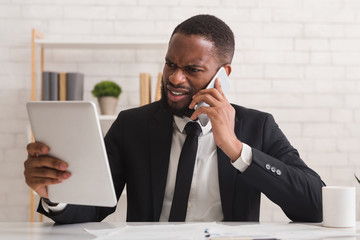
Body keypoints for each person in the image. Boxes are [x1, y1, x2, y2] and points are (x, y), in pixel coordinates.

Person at [24, 14, 324, 223]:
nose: (175, 78)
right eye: (170, 64)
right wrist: (55, 195)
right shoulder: (131, 125)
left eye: (192, 70)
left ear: (223, 74)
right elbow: (94, 206)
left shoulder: (258, 126)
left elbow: (315, 205)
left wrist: (235, 149)